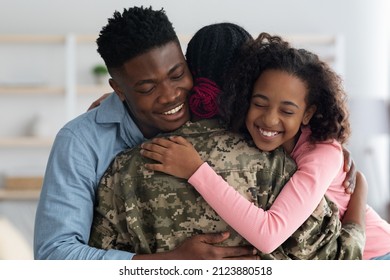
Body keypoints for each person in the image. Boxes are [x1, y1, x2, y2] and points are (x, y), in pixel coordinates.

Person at [89, 23, 366, 260]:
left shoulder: (125, 166)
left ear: (190, 74)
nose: (270, 119)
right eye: (261, 102)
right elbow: (340, 258)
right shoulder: (277, 168)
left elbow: (92, 257)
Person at [34, 6, 257, 260]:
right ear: (119, 89)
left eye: (177, 75)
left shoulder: (214, 114)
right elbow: (54, 255)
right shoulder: (79, 142)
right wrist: (174, 262)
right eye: (148, 88)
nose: (170, 95)